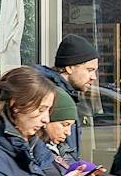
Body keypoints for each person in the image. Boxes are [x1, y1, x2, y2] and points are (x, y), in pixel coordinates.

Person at [36, 35, 102, 165]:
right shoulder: (48, 96)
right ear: (70, 67)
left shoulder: (68, 95)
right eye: (89, 70)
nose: (93, 77)